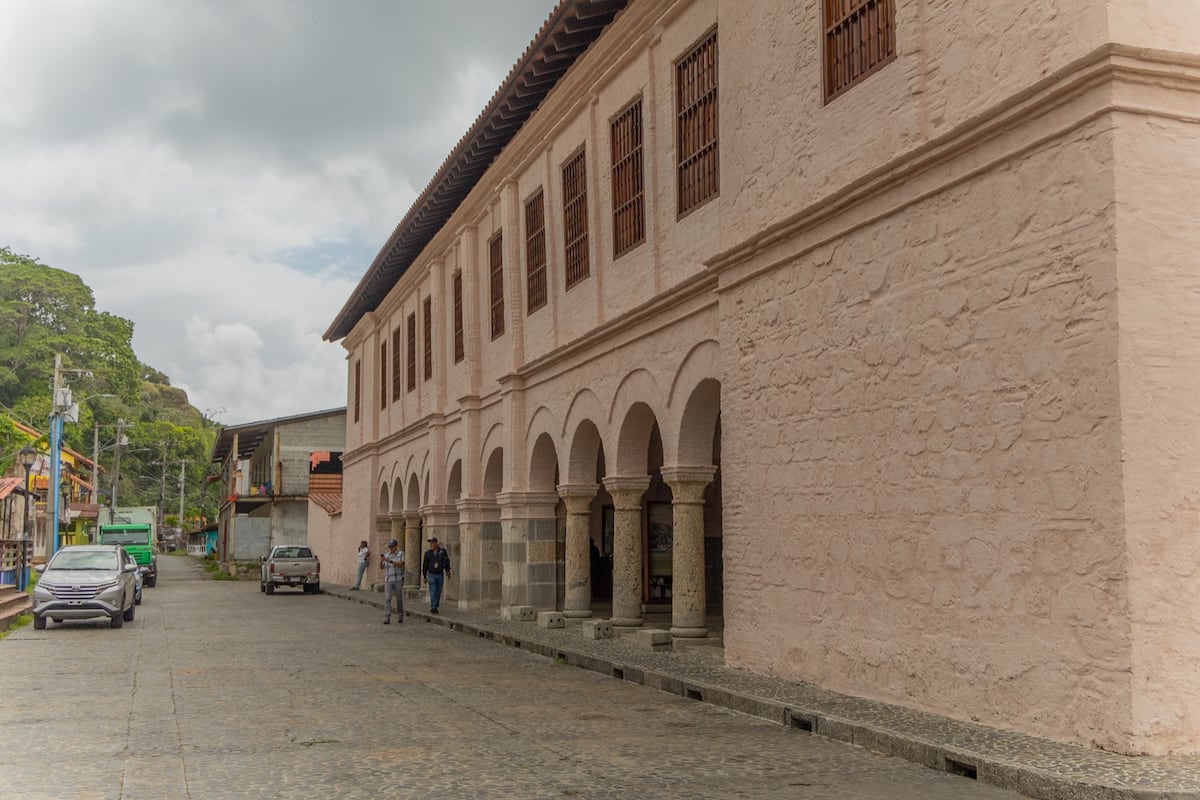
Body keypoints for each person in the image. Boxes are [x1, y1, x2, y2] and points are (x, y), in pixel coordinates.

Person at [421, 536, 451, 614]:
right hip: (431, 574)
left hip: (440, 574)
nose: (431, 545)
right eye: (430, 543)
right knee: (433, 590)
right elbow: (425, 565)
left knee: (438, 591)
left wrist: (447, 571)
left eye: (433, 543)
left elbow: (446, 561)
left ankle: (436, 605)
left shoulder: (442, 552)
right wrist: (424, 576)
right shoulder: (427, 553)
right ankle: (433, 607)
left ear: (436, 543)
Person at [380, 538, 404, 624]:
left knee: (399, 598)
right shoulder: (387, 555)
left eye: (392, 546)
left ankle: (400, 614)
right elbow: (382, 567)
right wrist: (382, 561)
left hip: (397, 579)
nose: (391, 548)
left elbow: (400, 564)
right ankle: (387, 617)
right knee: (387, 598)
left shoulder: (400, 553)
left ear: (396, 546)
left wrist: (389, 561)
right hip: (388, 579)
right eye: (390, 547)